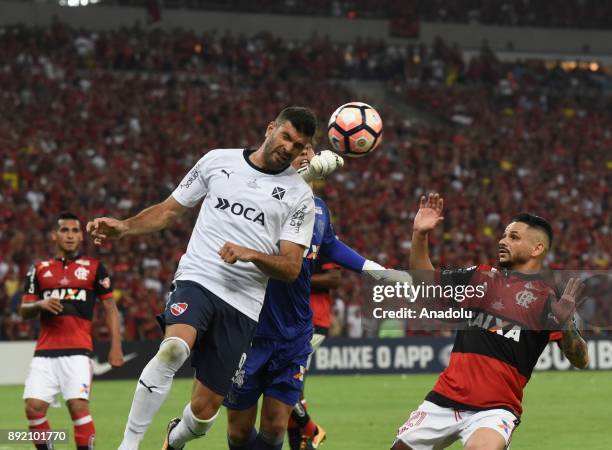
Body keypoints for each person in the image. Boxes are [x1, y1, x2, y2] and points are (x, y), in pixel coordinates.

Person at [87, 106, 318, 450]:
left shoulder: (300, 196)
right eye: (286, 137)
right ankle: (129, 444)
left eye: (299, 146)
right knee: (173, 350)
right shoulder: (217, 161)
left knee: (203, 414)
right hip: (199, 277)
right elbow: (169, 210)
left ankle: (176, 438)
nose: (290, 148)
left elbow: (291, 267)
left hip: (243, 304)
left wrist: (252, 254)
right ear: (271, 128)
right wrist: (124, 227)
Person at [224, 146, 401, 450]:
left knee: (276, 425)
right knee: (239, 432)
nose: (306, 153)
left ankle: (307, 432)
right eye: (298, 149)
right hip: (252, 327)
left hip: (294, 331)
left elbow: (330, 246)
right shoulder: (263, 199)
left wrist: (376, 270)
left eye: (309, 148)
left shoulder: (318, 208)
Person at [391, 193, 589, 450]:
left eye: (513, 237)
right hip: (443, 399)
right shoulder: (478, 277)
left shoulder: (546, 300)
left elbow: (581, 360)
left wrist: (566, 326)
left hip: (495, 410)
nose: (502, 241)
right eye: (504, 235)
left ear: (536, 248)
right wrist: (419, 236)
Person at [20, 211, 124, 450]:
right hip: (45, 352)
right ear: (54, 236)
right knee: (33, 408)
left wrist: (116, 347)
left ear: (81, 237)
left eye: (75, 231)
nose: (70, 235)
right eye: (64, 230)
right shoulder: (38, 269)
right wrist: (39, 304)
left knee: (78, 406)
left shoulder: (95, 268)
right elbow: (24, 310)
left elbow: (110, 308)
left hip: (78, 351)